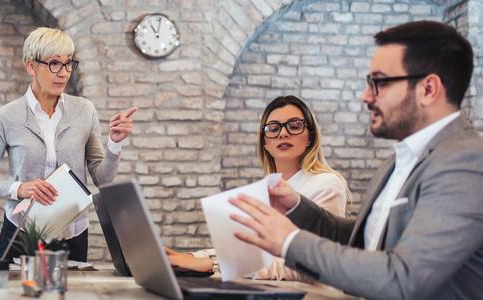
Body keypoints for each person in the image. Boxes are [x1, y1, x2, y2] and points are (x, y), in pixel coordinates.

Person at [229, 21, 483, 299]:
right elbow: (364, 238)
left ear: (428, 89)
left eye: (380, 82)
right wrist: (298, 208)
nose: (366, 96)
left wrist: (290, 241)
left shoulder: (465, 162)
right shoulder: (398, 161)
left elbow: (403, 278)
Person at [0, 27, 137, 262]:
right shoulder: (6, 116)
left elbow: (103, 179)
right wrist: (20, 188)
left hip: (73, 232)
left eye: (68, 63)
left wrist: (114, 145)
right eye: (54, 63)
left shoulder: (84, 110)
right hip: (22, 233)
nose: (63, 73)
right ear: (31, 66)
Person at [167, 96, 349, 283]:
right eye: (273, 128)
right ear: (265, 142)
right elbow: (250, 252)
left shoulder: (327, 184)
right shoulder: (269, 188)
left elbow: (312, 266)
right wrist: (190, 258)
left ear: (310, 136)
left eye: (294, 126)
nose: (283, 134)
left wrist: (214, 264)